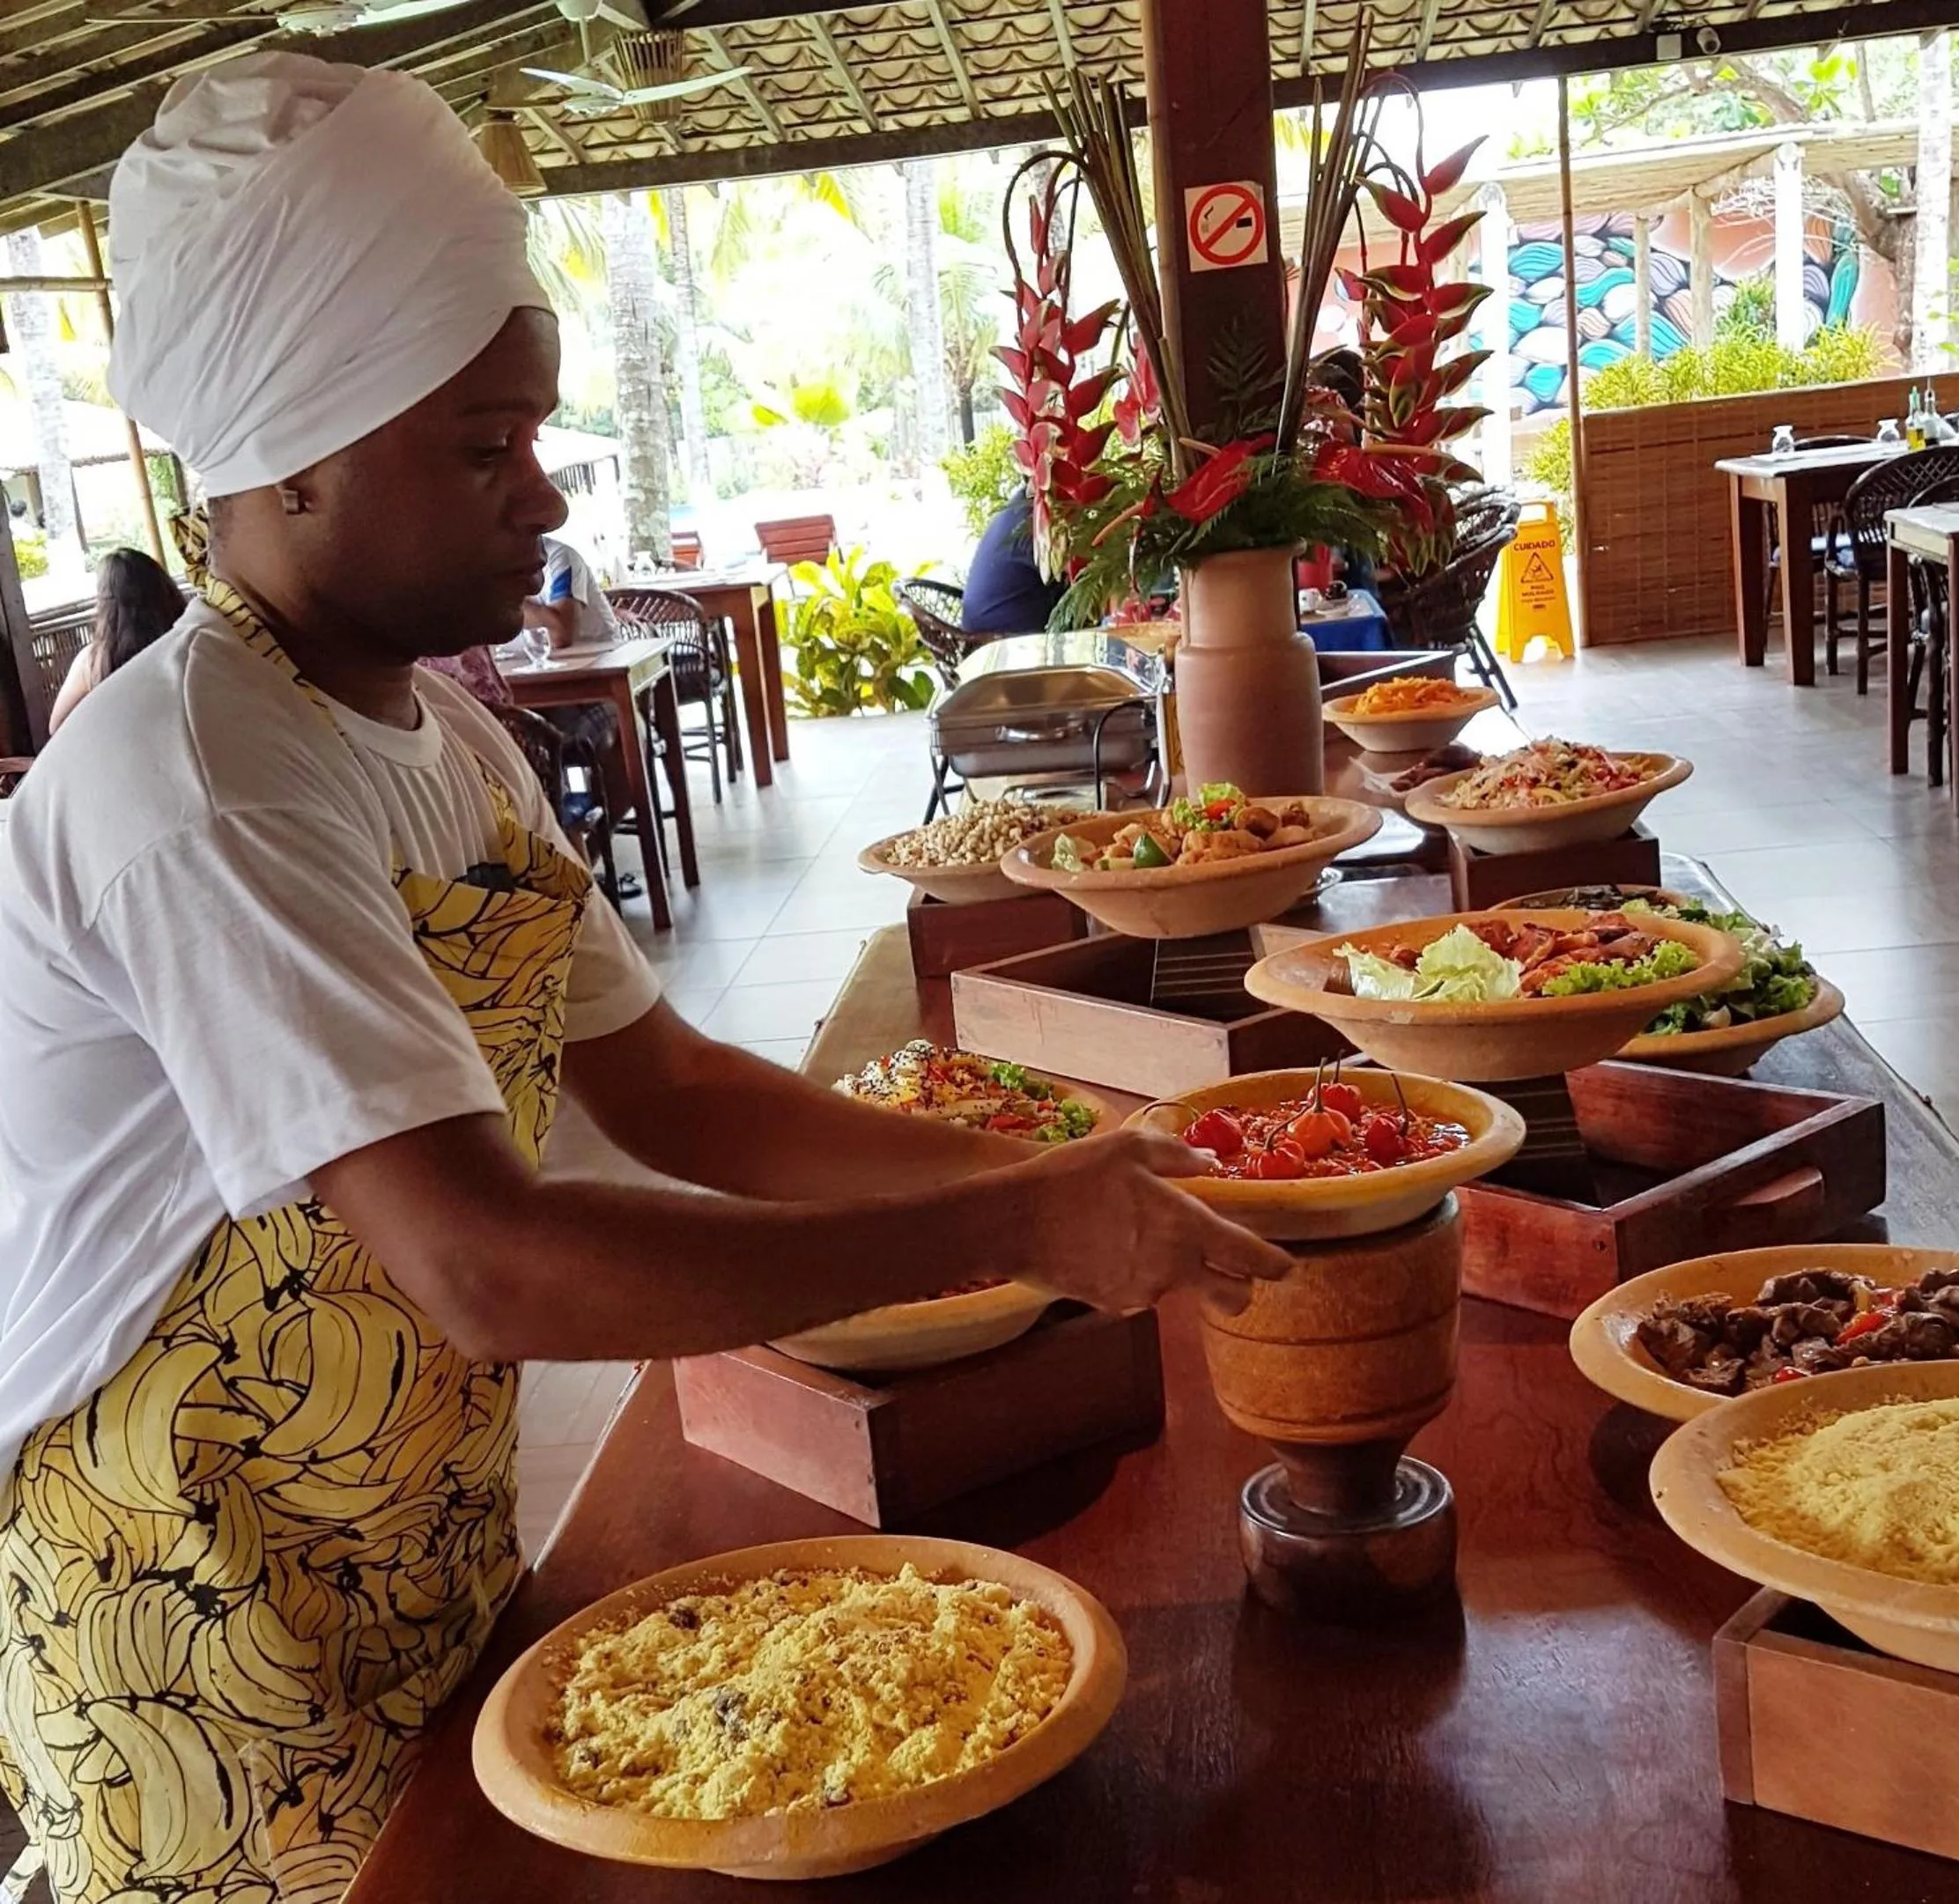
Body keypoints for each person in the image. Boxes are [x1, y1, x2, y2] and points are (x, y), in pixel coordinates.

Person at [0, 51, 1287, 1904]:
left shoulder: (444, 739)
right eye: (481, 449)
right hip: (188, 1588)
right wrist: (1014, 1229)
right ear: (290, 453)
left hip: (404, 1522)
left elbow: (673, 1092)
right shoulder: (201, 782)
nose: (542, 494)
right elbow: (486, 1261)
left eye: (532, 434)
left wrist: (1060, 1175)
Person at [45, 545, 186, 734]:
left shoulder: (94, 660)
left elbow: (57, 727)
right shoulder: (187, 640)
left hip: (124, 747)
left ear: (106, 604)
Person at [960, 486, 1065, 635]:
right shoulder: (1030, 520)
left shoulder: (1019, 507)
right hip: (1005, 639)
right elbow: (1078, 572)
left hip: (986, 629)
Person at [522, 531, 617, 651]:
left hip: (601, 654)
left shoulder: (559, 557)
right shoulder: (503, 567)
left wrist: (506, 603)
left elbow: (561, 635)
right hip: (541, 658)